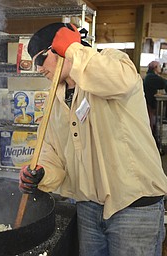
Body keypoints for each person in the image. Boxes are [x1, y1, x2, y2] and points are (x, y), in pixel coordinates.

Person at [18, 22, 167, 256]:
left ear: (60, 49)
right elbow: (52, 151)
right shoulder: (54, 98)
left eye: (40, 59)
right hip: (88, 207)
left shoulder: (113, 61)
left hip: (134, 206)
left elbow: (119, 82)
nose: (38, 69)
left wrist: (74, 49)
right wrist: (42, 172)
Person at [143, 60, 167, 137]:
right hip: (150, 103)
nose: (161, 68)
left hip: (149, 101)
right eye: (159, 66)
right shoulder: (151, 77)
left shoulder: (149, 76)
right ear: (155, 68)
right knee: (151, 119)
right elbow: (164, 83)